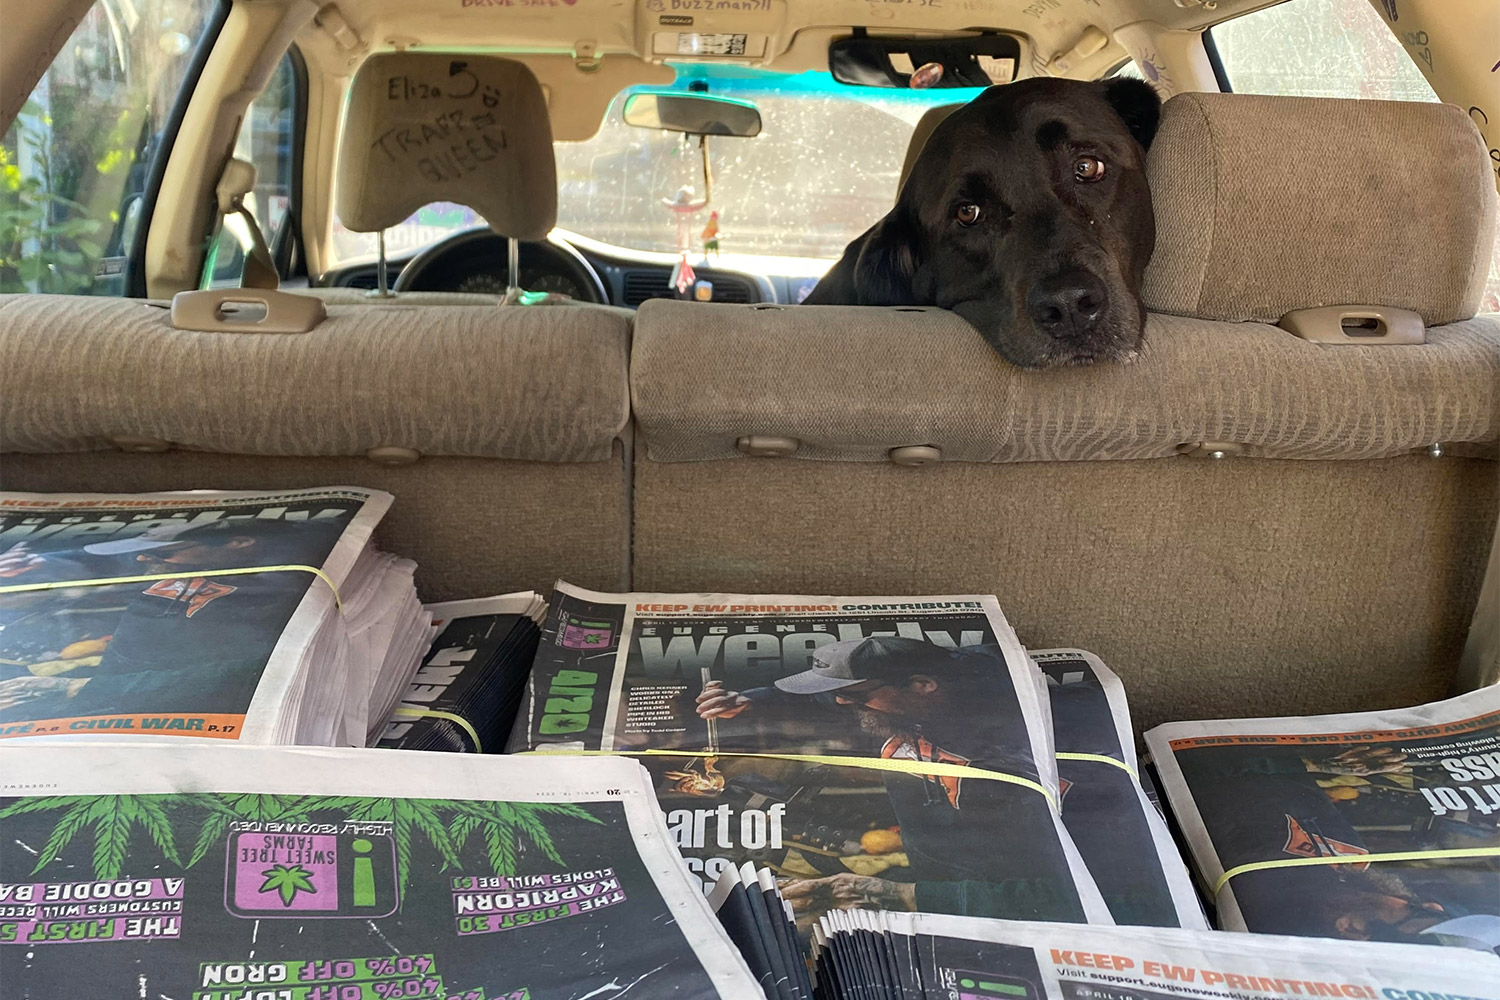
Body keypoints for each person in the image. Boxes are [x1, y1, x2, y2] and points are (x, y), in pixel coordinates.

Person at [696, 635, 1088, 923]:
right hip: (934, 885)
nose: (840, 703)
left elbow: (1060, 896)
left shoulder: (1006, 763)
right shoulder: (903, 693)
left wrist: (900, 895)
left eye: (852, 694)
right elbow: (830, 695)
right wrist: (752, 699)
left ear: (922, 686)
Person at [0, 517, 342, 722]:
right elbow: (90, 571)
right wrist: (46, 570)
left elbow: (240, 675)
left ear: (240, 542)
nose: (142, 557)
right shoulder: (180, 566)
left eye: (165, 552)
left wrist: (79, 686)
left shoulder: (278, 594)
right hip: (99, 700)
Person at [1178, 743, 1500, 953]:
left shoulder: (1260, 894)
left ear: (1352, 929)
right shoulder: (1355, 863)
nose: (1432, 904)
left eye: (1420, 915)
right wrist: (1321, 766)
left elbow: (1195, 780)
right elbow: (1298, 788)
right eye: (1444, 910)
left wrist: (1308, 763)